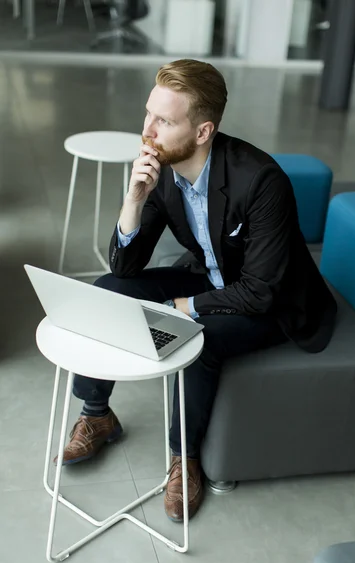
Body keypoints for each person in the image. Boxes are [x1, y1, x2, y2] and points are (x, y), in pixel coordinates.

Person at [54, 59, 337, 522]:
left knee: (196, 336)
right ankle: (97, 413)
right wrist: (134, 199)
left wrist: (179, 307)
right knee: (107, 290)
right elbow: (125, 266)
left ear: (203, 131)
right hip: (211, 275)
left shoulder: (261, 181)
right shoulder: (162, 167)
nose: (148, 130)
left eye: (164, 121)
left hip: (275, 304)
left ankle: (184, 460)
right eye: (149, 113)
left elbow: (261, 291)